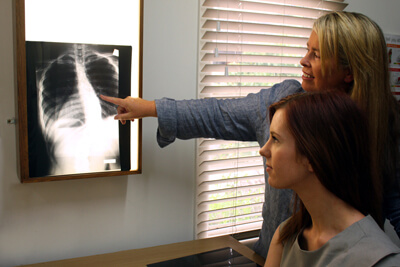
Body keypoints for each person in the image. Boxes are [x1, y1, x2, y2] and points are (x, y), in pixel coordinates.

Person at [100, 11, 400, 258]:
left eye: (317, 54)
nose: (303, 61)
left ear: (349, 71)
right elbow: (219, 114)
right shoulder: (285, 101)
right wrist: (150, 108)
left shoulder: (387, 126)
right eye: (306, 50)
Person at [261, 91, 400, 266]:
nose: (264, 150)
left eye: (275, 139)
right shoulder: (286, 235)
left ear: (313, 156)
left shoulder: (380, 260)